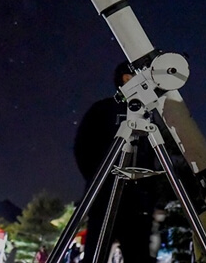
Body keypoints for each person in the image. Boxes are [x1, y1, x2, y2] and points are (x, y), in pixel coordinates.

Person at [74, 61, 159, 263]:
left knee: (137, 255)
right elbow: (83, 148)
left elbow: (150, 157)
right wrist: (99, 178)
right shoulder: (102, 109)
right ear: (126, 79)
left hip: (137, 201)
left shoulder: (148, 115)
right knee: (97, 254)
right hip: (106, 195)